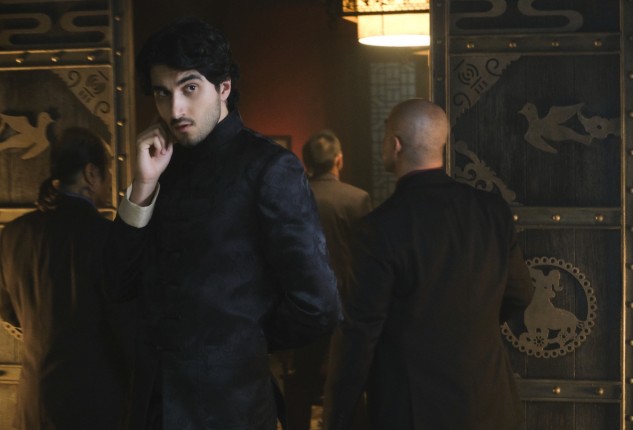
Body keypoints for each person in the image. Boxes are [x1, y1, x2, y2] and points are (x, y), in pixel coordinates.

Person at [106, 17, 341, 430]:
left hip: (231, 407)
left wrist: (241, 341)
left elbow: (319, 304)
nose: (175, 109)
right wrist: (142, 186)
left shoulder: (270, 168)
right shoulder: (159, 166)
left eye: (189, 88)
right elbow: (115, 283)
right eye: (162, 93)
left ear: (224, 87)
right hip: (153, 408)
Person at [323, 99, 534, 430]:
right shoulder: (492, 211)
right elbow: (521, 293)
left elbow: (359, 335)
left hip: (413, 408)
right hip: (490, 403)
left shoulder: (379, 229)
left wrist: (338, 416)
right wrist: (470, 326)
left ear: (395, 145)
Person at [0, 127, 130, 430]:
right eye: (108, 172)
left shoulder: (13, 234)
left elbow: (7, 310)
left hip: (34, 405)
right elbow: (126, 327)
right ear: (91, 173)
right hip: (94, 408)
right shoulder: (109, 238)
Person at [281, 131, 371, 430]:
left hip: (303, 304)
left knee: (302, 382)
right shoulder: (357, 199)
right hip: (347, 302)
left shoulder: (293, 198)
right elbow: (365, 257)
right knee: (347, 378)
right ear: (339, 160)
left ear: (306, 163)